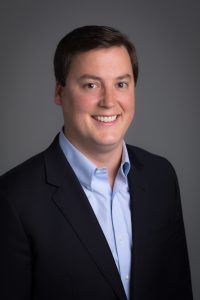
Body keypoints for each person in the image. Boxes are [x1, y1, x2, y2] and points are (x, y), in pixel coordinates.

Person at [0, 25, 193, 300]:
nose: (109, 101)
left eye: (121, 84)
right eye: (91, 85)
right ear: (59, 92)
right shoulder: (12, 198)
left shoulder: (161, 176)